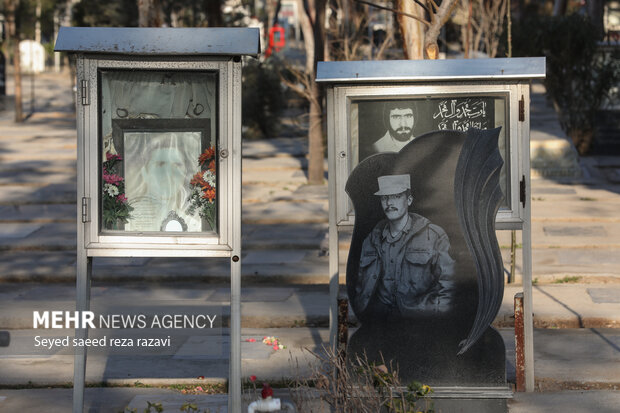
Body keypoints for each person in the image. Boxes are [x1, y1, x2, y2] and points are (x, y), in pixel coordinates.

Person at [355, 174, 455, 319]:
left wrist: (437, 316)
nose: (389, 203)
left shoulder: (433, 236)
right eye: (384, 198)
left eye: (396, 196)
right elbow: (361, 284)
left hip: (420, 320)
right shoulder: (372, 238)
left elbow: (449, 284)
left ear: (409, 200)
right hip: (380, 322)